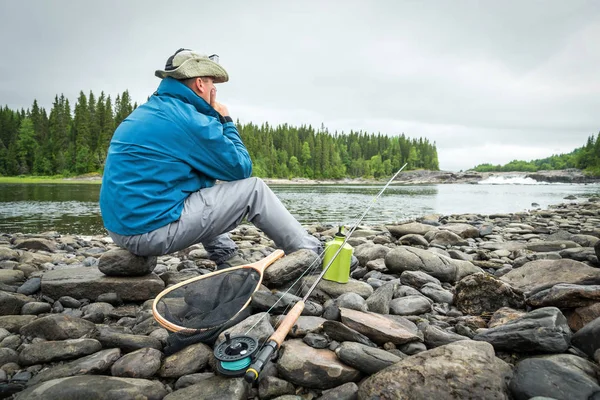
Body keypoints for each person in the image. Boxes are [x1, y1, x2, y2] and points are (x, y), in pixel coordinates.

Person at [99, 48, 322, 268]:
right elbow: (240, 168)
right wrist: (225, 119)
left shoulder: (154, 110)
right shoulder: (189, 120)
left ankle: (225, 255)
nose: (214, 89)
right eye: (211, 83)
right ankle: (311, 254)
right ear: (199, 84)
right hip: (148, 233)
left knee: (201, 182)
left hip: (121, 228)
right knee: (254, 190)